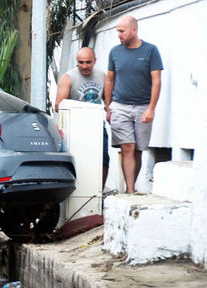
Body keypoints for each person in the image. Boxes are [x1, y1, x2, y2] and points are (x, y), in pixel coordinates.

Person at [104, 15, 163, 194]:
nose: (119, 35)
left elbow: (157, 80)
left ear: (134, 30)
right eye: (117, 31)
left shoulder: (151, 51)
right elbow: (109, 80)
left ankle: (132, 185)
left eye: (121, 31)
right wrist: (108, 106)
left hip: (143, 106)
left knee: (138, 150)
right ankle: (130, 191)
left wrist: (151, 108)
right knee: (127, 146)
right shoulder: (115, 52)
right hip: (120, 106)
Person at [55, 47, 109, 188]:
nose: (84, 66)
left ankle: (99, 192)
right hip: (76, 126)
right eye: (81, 62)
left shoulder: (102, 76)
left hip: (97, 124)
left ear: (95, 61)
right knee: (79, 160)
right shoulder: (68, 77)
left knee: (103, 159)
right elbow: (59, 106)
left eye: (88, 62)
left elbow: (108, 100)